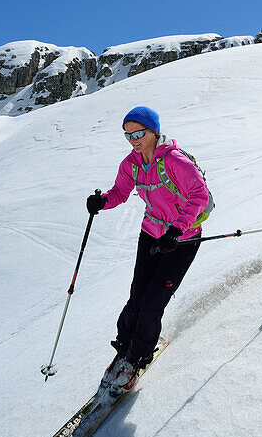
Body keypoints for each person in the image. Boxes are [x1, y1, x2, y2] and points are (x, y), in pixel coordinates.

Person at [86, 105, 210, 394]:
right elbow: (119, 192)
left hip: (181, 240)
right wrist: (101, 202)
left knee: (153, 302)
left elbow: (199, 195)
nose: (134, 140)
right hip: (151, 234)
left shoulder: (175, 161)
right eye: (128, 135)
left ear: (154, 131)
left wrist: (178, 229)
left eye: (139, 133)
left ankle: (138, 359)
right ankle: (125, 349)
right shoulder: (131, 164)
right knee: (137, 296)